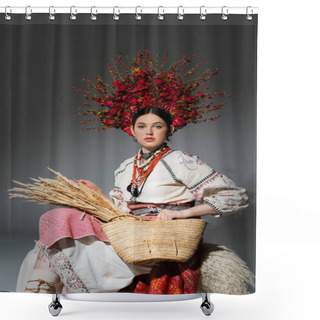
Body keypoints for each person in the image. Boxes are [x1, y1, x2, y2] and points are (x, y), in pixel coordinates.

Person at [16, 106, 249, 295]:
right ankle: (39, 287)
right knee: (59, 215)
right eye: (142, 126)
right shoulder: (126, 166)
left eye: (157, 126)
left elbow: (234, 196)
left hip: (164, 232)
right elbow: (122, 207)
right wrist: (100, 195)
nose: (149, 132)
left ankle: (43, 288)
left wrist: (181, 214)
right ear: (132, 130)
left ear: (170, 129)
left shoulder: (182, 161)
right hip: (130, 229)